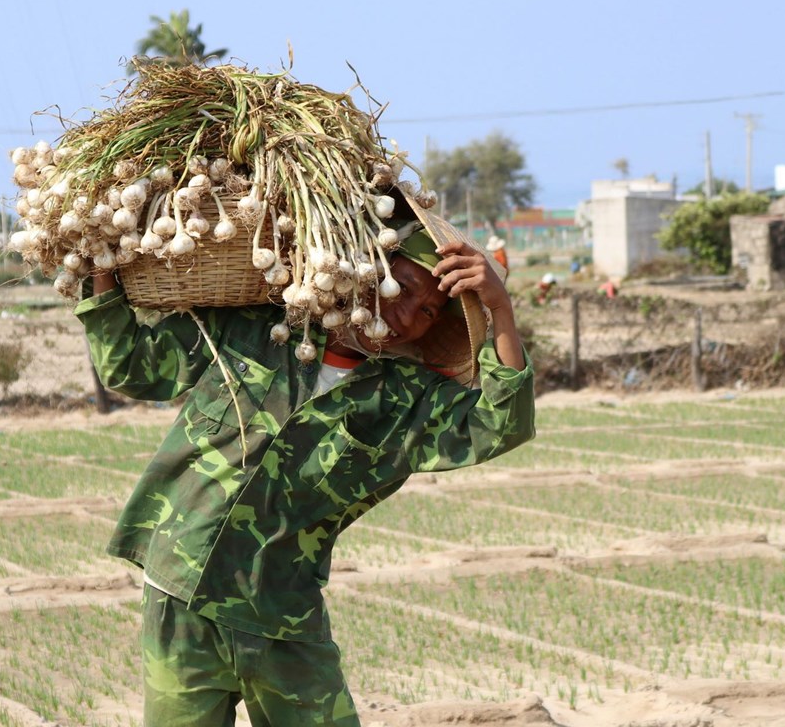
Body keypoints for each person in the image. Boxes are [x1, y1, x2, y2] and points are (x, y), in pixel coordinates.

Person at [76, 206, 535, 726]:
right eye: (403, 287)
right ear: (366, 271)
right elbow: (130, 367)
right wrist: (100, 266)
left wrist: (500, 308)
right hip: (181, 594)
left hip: (282, 612)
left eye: (429, 311)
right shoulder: (258, 330)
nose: (408, 314)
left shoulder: (406, 401)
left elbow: (501, 425)